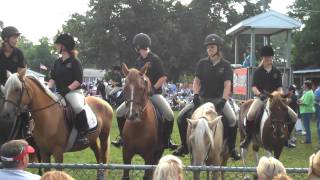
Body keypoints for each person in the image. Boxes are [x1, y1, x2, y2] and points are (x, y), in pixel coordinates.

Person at [173, 34, 240, 160]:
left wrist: (224, 100)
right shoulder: (202, 63)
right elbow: (196, 81)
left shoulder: (225, 65)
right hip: (202, 99)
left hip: (218, 99)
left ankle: (231, 149)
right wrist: (196, 95)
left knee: (232, 120)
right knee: (181, 117)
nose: (210, 49)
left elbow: (227, 85)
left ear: (218, 48)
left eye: (212, 47)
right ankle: (184, 146)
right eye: (208, 47)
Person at [111, 33, 177, 150]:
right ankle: (122, 137)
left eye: (136, 46)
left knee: (170, 115)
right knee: (120, 112)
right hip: (139, 96)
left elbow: (163, 77)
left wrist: (153, 88)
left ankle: (167, 139)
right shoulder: (138, 61)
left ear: (138, 46)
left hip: (154, 94)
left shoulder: (155, 59)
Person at [240, 46, 298, 149]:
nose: (269, 59)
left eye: (270, 57)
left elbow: (279, 87)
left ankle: (287, 138)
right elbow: (254, 87)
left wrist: (280, 95)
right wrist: (259, 95)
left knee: (294, 116)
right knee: (250, 114)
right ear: (263, 58)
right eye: (266, 57)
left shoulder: (276, 72)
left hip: (275, 99)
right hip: (261, 98)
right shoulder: (258, 71)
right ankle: (248, 138)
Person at [48, 33, 88, 144]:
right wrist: (47, 89)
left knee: (77, 106)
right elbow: (53, 78)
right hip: (59, 92)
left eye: (58, 45)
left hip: (74, 92)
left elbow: (78, 80)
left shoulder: (75, 62)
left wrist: (67, 89)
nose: (56, 47)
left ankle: (82, 133)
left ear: (63, 46)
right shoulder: (57, 62)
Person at [0, 26, 31, 139]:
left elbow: (21, 73)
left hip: (14, 87)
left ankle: (27, 130)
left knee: (25, 105)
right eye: (14, 37)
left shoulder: (19, 53)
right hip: (0, 87)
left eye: (17, 37)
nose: (16, 39)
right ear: (6, 38)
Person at [314, 82, 320, 146]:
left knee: (318, 121)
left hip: (318, 106)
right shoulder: (318, 90)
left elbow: (316, 98)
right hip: (318, 106)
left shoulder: (318, 90)